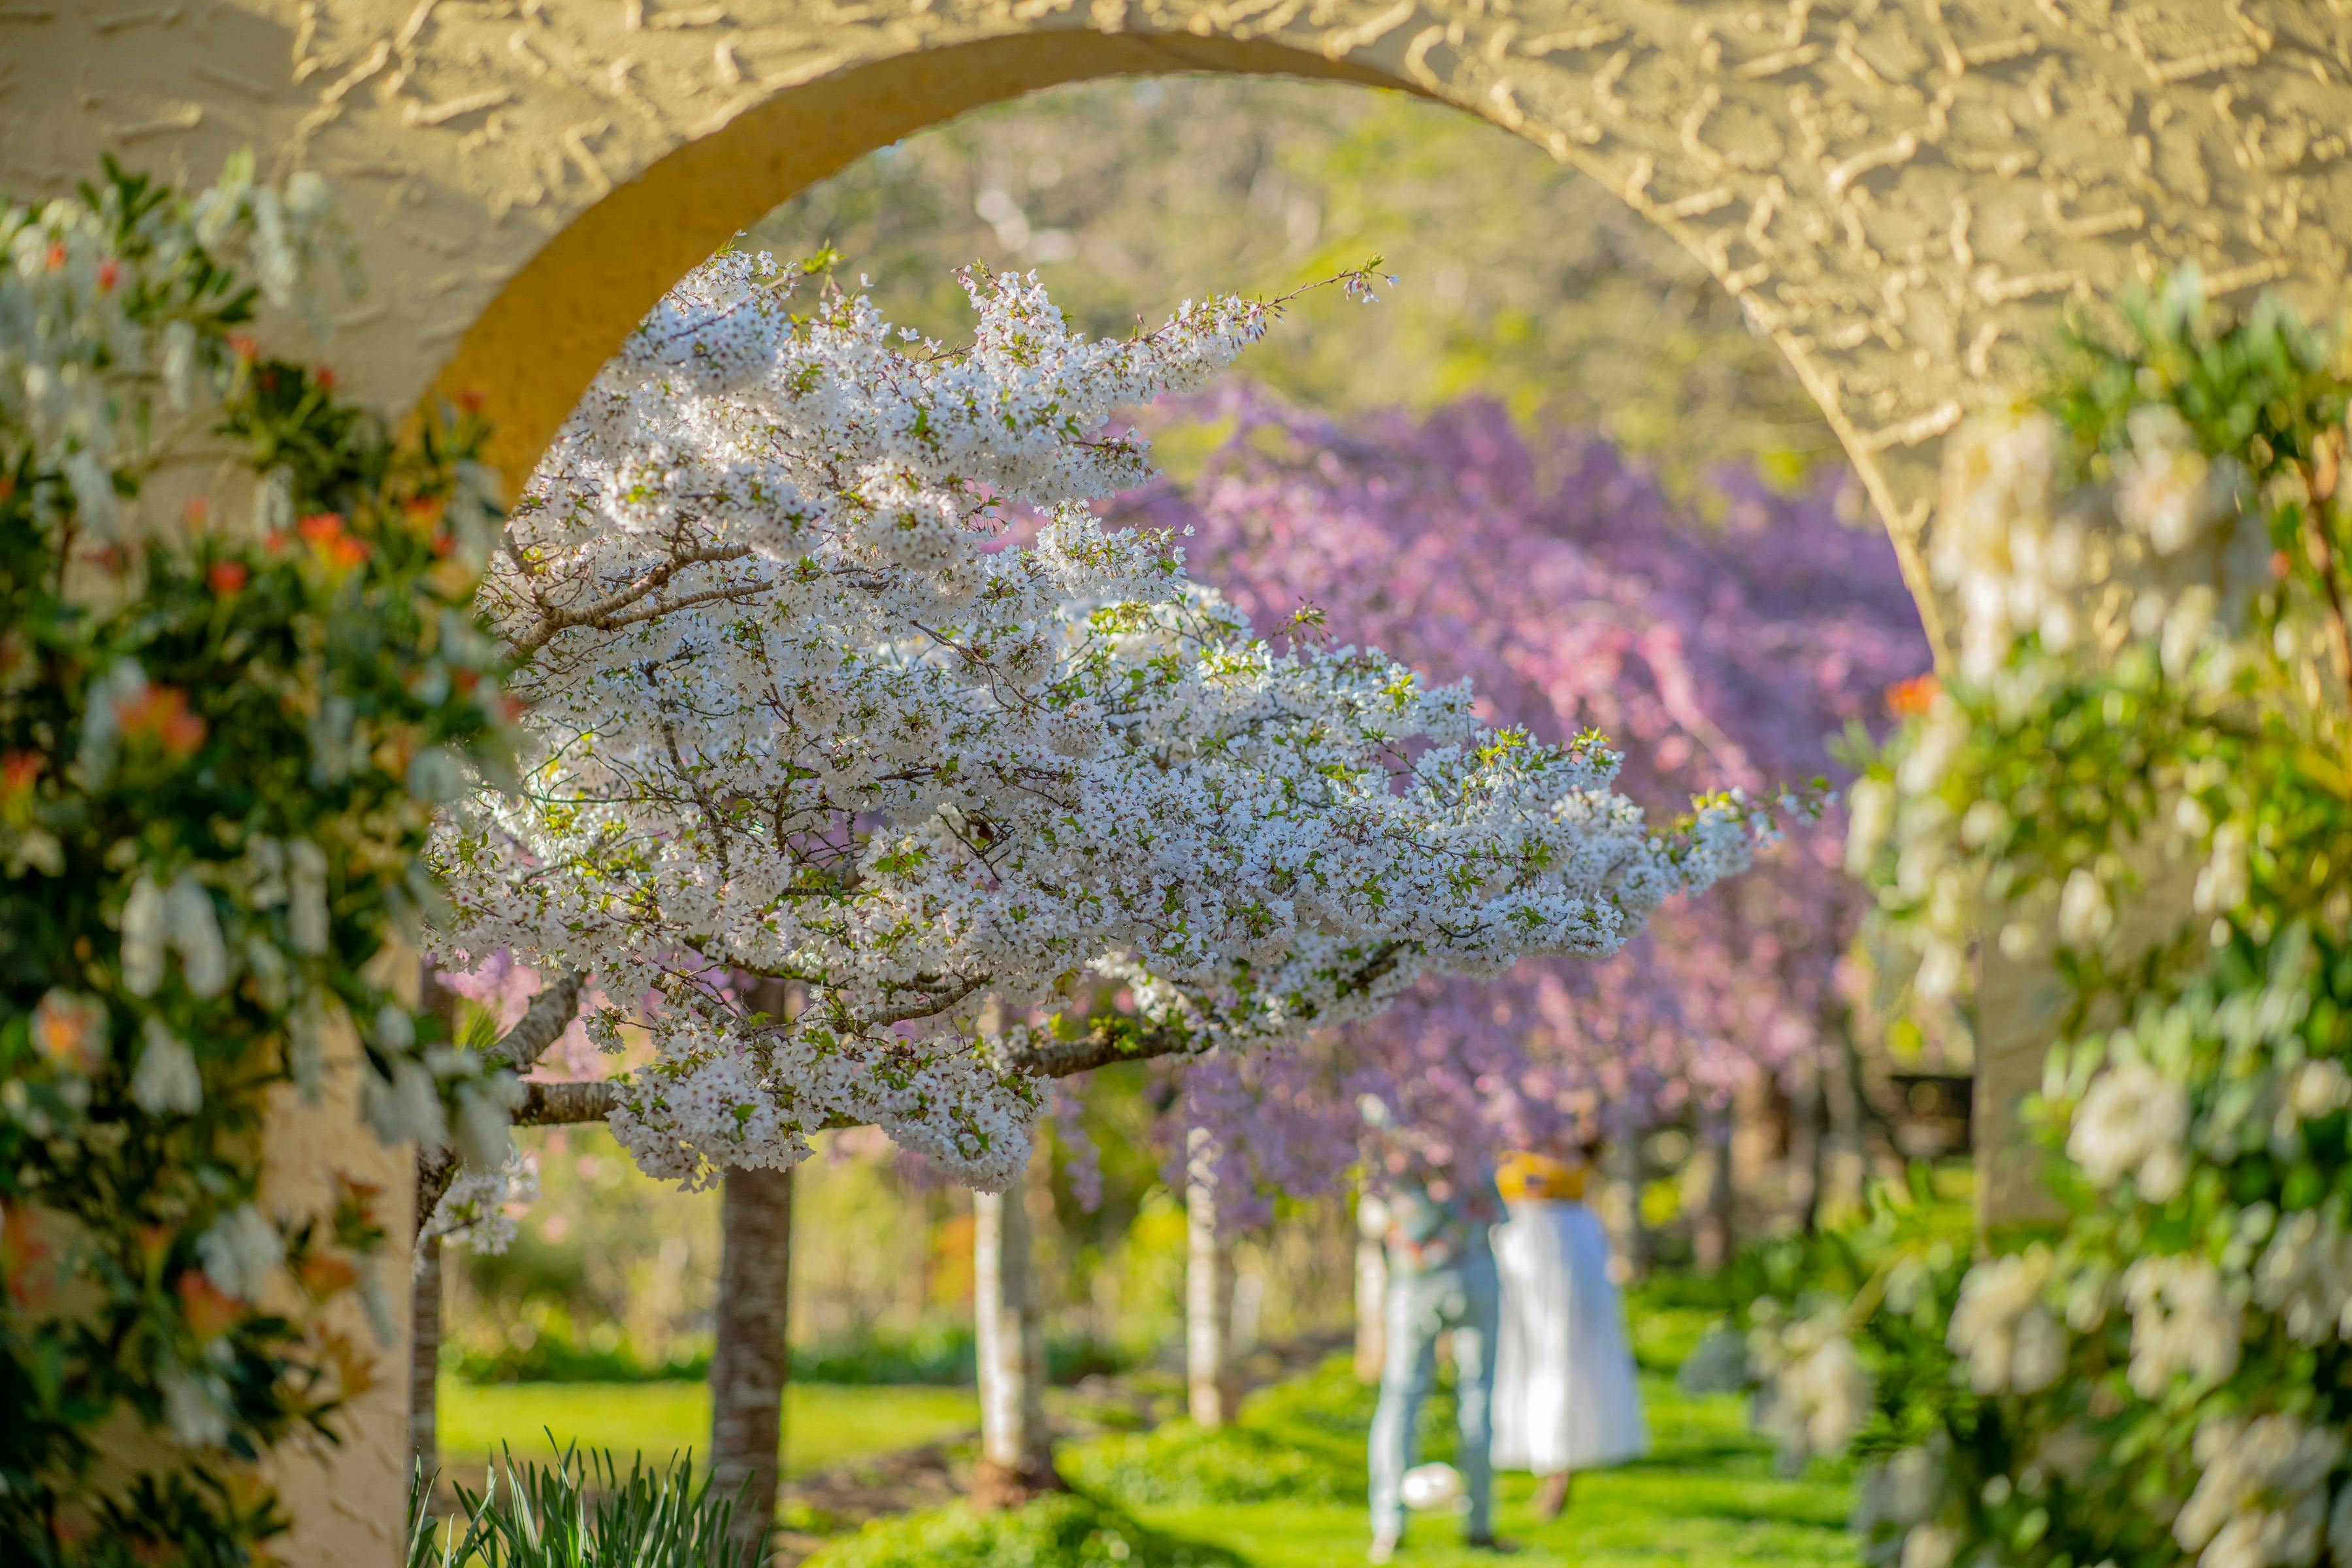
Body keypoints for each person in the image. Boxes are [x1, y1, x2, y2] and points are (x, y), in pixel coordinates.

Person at [1490, 1147, 1649, 1519]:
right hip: (1514, 1238)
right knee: (1516, 1352)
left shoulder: (1573, 1127)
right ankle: (1524, 1455)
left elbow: (1591, 1153)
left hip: (1564, 1240)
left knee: (1563, 1350)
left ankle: (1560, 1467)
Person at [1367, 1150, 1509, 1563]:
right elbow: (1498, 1211)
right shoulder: (1475, 1139)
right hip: (1473, 1273)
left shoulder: (1394, 1145)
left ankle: (1389, 1525)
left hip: (1414, 1281)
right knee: (1477, 1395)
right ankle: (1479, 1523)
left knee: (1401, 1398)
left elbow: (1377, 1219)